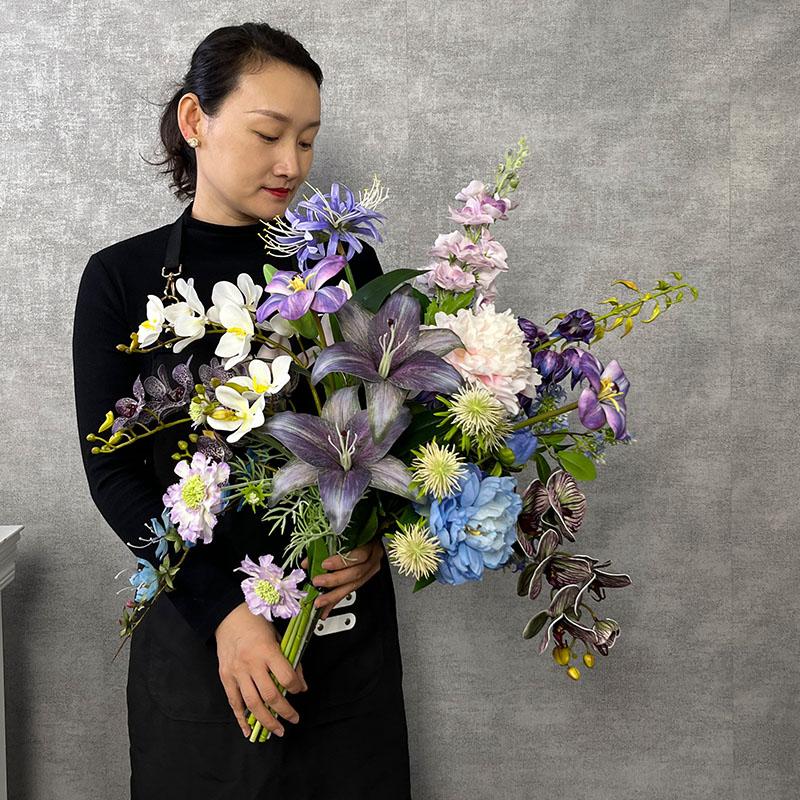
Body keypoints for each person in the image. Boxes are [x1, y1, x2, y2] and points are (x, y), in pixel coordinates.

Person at [71, 22, 411, 799]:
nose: (291, 165)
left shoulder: (341, 261)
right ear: (197, 122)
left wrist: (378, 535)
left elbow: (388, 428)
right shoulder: (121, 281)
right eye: (268, 134)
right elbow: (114, 476)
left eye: (308, 140)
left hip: (343, 640)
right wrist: (224, 613)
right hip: (199, 637)